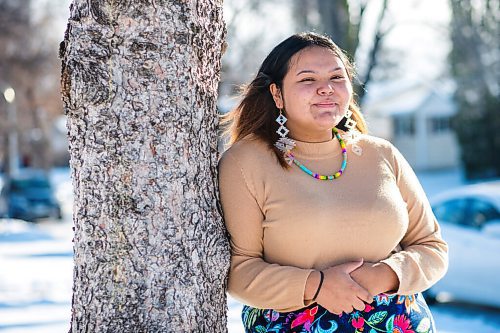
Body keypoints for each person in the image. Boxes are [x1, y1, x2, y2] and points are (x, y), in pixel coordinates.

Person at [218, 32, 448, 333]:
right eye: (307, 80)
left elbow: (432, 247)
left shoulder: (381, 154)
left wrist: (384, 275)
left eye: (337, 77)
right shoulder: (245, 162)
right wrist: (318, 286)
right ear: (277, 94)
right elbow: (240, 271)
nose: (326, 89)